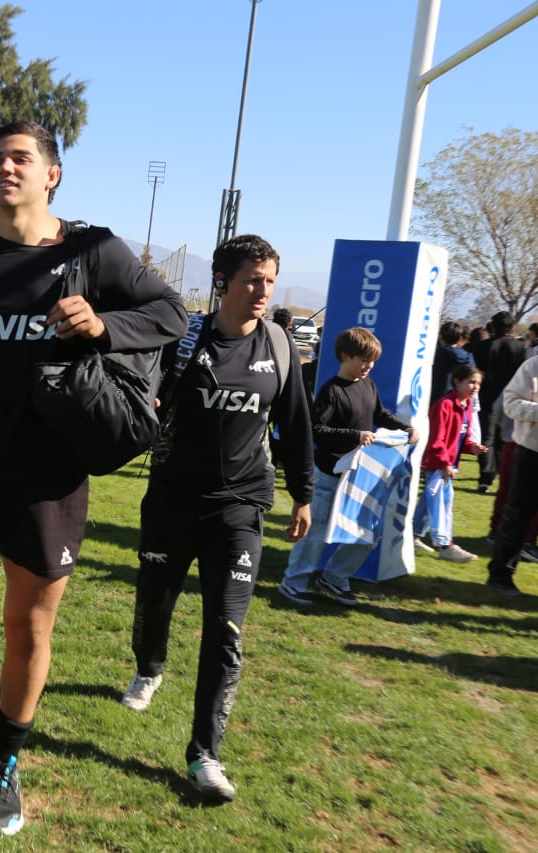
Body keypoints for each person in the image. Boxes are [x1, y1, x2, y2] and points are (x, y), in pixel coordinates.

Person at [0, 120, 187, 835]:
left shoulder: (93, 249)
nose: (6, 167)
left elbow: (171, 313)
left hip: (51, 475)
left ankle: (5, 763)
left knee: (28, 627)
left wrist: (101, 326)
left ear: (51, 174)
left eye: (21, 158)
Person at [121, 234, 313, 803]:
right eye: (253, 279)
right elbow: (142, 399)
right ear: (223, 282)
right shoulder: (182, 342)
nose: (262, 291)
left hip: (241, 506)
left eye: (270, 282)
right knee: (155, 603)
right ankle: (149, 667)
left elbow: (295, 426)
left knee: (226, 630)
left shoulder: (279, 348)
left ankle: (205, 754)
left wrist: (302, 495)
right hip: (173, 501)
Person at [278, 327, 417, 606]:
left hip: (359, 477)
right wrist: (355, 436)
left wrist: (405, 428)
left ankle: (335, 577)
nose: (369, 366)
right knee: (314, 533)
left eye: (372, 361)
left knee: (366, 534)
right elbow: (315, 429)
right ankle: (292, 582)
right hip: (328, 476)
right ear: (344, 357)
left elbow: (379, 414)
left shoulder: (369, 385)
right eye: (363, 360)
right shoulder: (331, 391)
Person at [486, 350, 538, 595]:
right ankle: (500, 576)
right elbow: (510, 404)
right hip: (534, 454)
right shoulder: (534, 367)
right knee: (518, 516)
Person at [412, 364, 487, 561]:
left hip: (447, 463)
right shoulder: (445, 405)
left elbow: (461, 437)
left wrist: (472, 447)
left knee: (429, 500)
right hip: (437, 462)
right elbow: (436, 439)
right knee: (442, 502)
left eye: (478, 383)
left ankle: (412, 535)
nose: (475, 387)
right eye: (471, 382)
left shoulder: (467, 405)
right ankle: (446, 545)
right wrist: (444, 463)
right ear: (457, 382)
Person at [469, 312, 525, 492]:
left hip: (487, 396)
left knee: (487, 436)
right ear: (512, 326)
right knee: (508, 437)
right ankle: (503, 473)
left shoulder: (483, 347)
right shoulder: (521, 348)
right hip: (513, 397)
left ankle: (485, 476)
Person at [431, 320, 476, 405]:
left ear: (441, 337)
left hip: (438, 401)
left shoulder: (436, 355)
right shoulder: (469, 358)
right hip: (462, 401)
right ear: (459, 338)